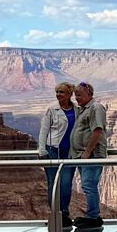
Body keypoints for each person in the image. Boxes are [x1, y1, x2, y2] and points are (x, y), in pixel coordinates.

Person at [68, 81, 107, 230]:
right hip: (81, 155)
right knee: (87, 185)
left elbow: (97, 131)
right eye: (76, 95)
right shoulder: (83, 109)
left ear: (90, 93)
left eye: (80, 94)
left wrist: (87, 152)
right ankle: (92, 216)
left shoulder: (95, 108)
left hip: (91, 156)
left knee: (89, 186)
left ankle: (93, 217)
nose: (77, 97)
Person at [37, 81, 75, 217]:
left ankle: (64, 213)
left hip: (70, 152)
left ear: (70, 94)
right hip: (53, 150)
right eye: (57, 92)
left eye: (62, 92)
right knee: (53, 183)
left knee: (66, 184)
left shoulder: (76, 110)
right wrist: (42, 151)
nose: (58, 95)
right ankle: (54, 213)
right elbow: (44, 131)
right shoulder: (52, 110)